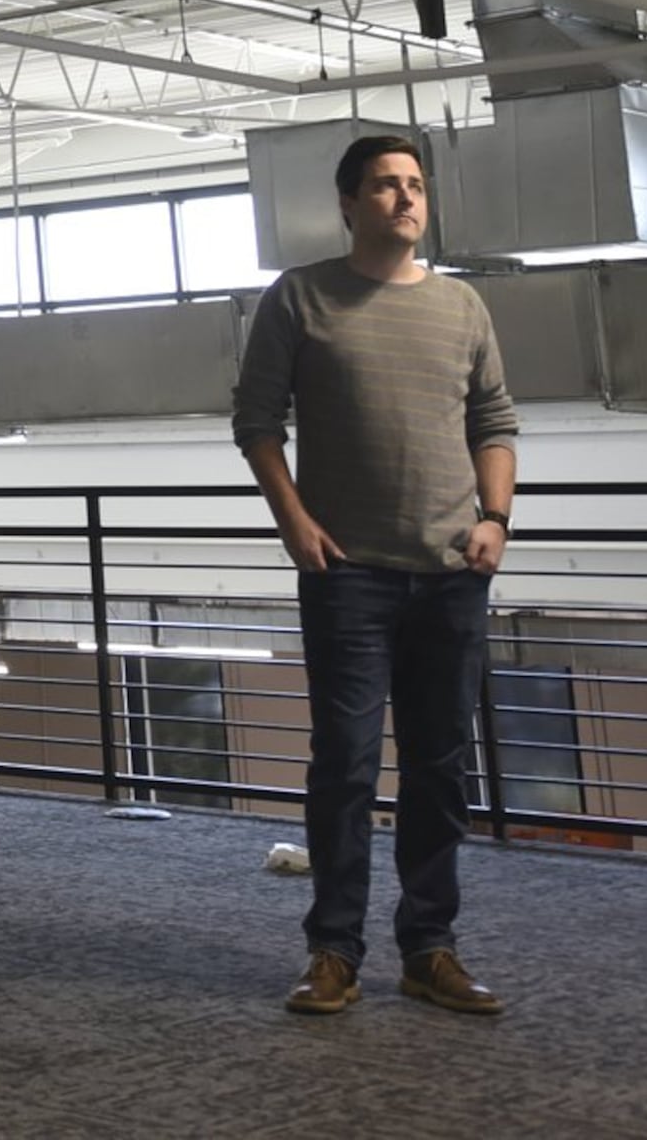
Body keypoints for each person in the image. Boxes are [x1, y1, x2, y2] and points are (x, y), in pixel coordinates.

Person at [233, 133, 519, 1018]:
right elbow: (255, 420)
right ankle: (334, 954)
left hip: (449, 572)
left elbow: (494, 420)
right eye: (386, 186)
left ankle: (430, 949)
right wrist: (294, 521)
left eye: (415, 185)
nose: (405, 198)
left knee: (440, 767)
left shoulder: (463, 306)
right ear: (349, 205)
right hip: (346, 572)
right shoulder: (302, 297)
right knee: (347, 768)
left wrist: (496, 519)